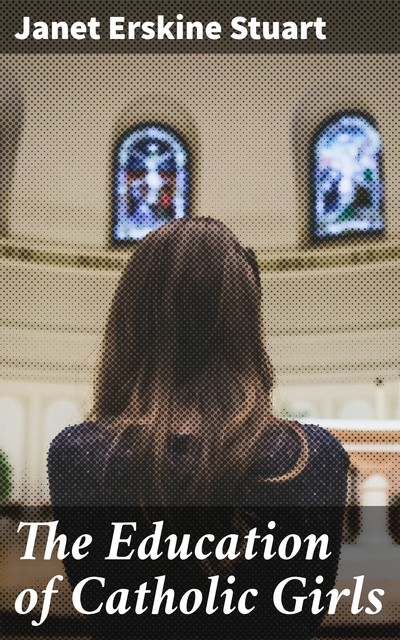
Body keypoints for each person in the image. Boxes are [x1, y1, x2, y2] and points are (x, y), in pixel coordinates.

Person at [48, 217, 349, 639]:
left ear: (131, 317)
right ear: (246, 327)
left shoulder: (78, 455)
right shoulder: (314, 457)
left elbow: (101, 605)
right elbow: (305, 612)